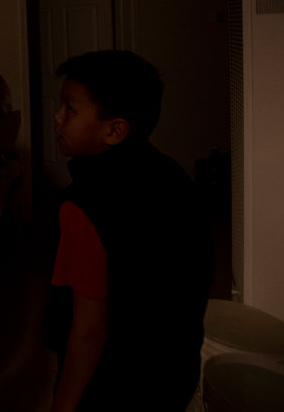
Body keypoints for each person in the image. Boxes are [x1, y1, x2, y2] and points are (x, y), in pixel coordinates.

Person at [44, 50, 213, 411]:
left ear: (115, 130)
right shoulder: (172, 174)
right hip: (172, 373)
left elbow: (88, 331)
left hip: (112, 384)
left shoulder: (84, 207)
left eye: (70, 109)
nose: (57, 118)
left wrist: (63, 404)